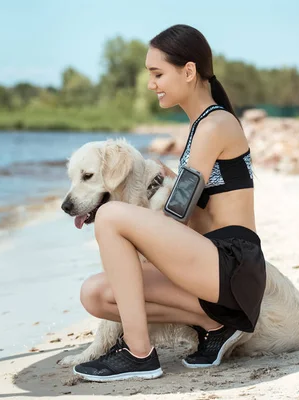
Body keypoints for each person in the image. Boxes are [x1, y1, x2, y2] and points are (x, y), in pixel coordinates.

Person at [72, 24, 267, 382]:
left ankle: (138, 352)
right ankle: (213, 323)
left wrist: (135, 225)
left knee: (111, 215)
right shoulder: (198, 129)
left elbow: (177, 214)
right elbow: (198, 209)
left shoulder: (216, 124)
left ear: (189, 71)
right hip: (212, 269)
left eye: (157, 73)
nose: (151, 84)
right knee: (96, 294)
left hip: (232, 263)